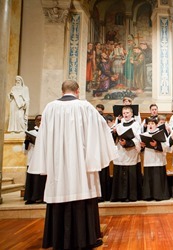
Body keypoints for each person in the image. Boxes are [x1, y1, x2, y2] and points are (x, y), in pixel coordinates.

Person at [28, 80, 117, 249]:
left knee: (59, 191)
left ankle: (57, 239)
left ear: (62, 91)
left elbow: (43, 138)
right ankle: (86, 238)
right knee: (83, 192)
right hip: (82, 165)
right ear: (77, 91)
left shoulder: (50, 108)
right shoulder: (85, 107)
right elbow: (101, 129)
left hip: (58, 165)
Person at [111, 106, 141, 202]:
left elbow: (138, 139)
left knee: (130, 175)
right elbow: (114, 139)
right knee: (120, 173)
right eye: (124, 113)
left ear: (132, 114)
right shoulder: (119, 125)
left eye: (127, 113)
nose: (126, 115)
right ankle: (119, 196)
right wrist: (115, 133)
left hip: (131, 151)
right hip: (121, 153)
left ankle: (131, 196)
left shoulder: (136, 125)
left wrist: (127, 143)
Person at [140, 117, 170, 201]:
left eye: (152, 123)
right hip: (148, 159)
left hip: (158, 160)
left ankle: (159, 195)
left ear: (156, 125)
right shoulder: (144, 134)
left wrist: (156, 145)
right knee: (148, 178)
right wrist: (142, 146)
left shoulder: (161, 133)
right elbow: (140, 149)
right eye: (149, 123)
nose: (150, 125)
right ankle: (148, 196)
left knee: (158, 178)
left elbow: (166, 146)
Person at [24, 115, 46, 204]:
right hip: (33, 158)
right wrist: (27, 142)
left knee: (42, 178)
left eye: (41, 120)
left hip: (43, 158)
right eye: (38, 120)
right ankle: (31, 197)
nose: (40, 122)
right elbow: (25, 150)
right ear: (35, 122)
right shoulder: (31, 132)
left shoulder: (47, 132)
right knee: (32, 178)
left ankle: (42, 197)